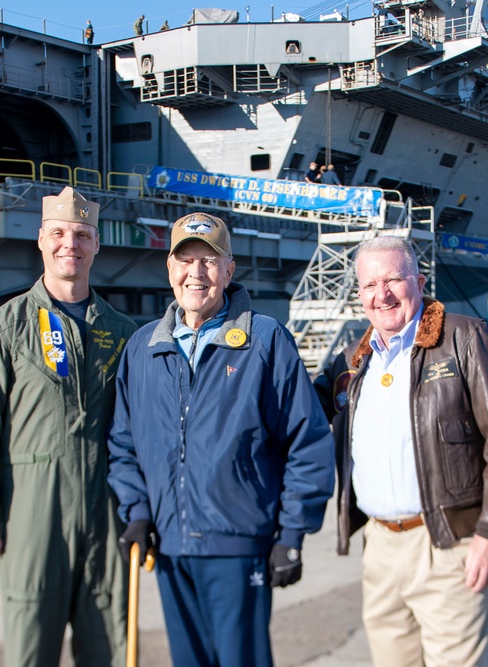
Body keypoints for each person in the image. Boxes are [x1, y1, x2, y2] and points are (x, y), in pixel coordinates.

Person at [108, 212, 335, 667]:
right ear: (169, 269)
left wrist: (292, 533)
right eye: (185, 260)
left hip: (240, 547)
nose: (196, 273)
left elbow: (306, 441)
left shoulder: (265, 342)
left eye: (209, 262)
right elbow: (125, 444)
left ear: (229, 270)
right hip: (170, 547)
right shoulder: (143, 349)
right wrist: (136, 512)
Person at [316, 235, 488, 667]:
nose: (383, 294)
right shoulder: (352, 364)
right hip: (380, 547)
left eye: (394, 278)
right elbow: (290, 408)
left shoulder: (466, 340)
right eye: (370, 285)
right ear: (358, 293)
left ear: (420, 279)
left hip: (450, 544)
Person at [0, 187, 137, 667]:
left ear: (97, 244)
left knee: (112, 645)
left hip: (107, 513)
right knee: (31, 645)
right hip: (33, 514)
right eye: (58, 233)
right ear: (40, 239)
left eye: (81, 235)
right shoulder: (6, 327)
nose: (69, 244)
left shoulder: (123, 333)